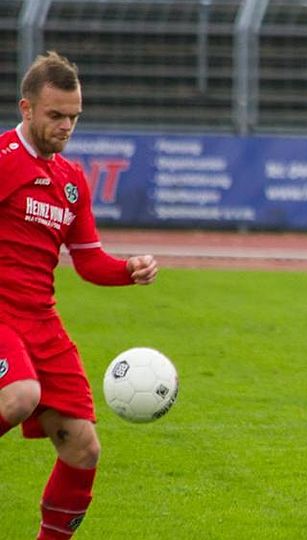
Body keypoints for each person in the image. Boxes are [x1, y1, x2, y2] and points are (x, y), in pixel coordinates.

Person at [0, 51, 158, 540]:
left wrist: (127, 269)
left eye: (74, 117)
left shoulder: (71, 181)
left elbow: (89, 261)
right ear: (26, 108)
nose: (66, 126)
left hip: (40, 322)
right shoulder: (4, 160)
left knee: (83, 448)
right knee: (20, 396)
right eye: (55, 115)